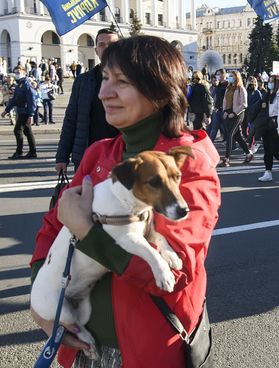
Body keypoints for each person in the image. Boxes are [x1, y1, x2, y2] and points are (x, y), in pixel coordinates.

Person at [30, 35, 221, 367]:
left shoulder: (186, 164)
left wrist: (88, 232)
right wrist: (43, 302)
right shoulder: (99, 154)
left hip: (142, 350)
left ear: (160, 93)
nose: (104, 92)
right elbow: (51, 230)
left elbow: (176, 274)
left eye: (122, 82)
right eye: (105, 78)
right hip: (83, 344)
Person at [56, 28, 121, 175]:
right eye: (102, 45)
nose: (106, 49)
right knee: (83, 196)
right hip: (86, 156)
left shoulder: (129, 80)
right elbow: (71, 120)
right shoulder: (83, 81)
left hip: (118, 157)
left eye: (111, 44)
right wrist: (62, 157)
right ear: (96, 50)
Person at [1, 65, 37, 159]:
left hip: (25, 112)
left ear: (24, 73)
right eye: (15, 73)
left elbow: (31, 101)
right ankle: (32, 152)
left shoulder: (26, 85)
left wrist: (31, 115)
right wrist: (7, 110)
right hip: (20, 110)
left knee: (17, 130)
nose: (16, 74)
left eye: (18, 72)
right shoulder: (19, 85)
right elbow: (14, 100)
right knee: (27, 131)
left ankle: (19, 152)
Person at [219, 70, 253, 167]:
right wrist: (225, 111)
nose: (229, 77)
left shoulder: (240, 89)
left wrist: (234, 113)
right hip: (229, 113)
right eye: (229, 76)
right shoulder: (228, 88)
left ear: (236, 77)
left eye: (231, 76)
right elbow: (225, 100)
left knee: (229, 134)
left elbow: (244, 104)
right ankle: (248, 154)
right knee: (237, 136)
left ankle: (226, 159)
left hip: (238, 114)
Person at [207, 68, 229, 142]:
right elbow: (218, 98)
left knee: (226, 128)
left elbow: (225, 98)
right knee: (214, 128)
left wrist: (221, 108)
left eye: (218, 74)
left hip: (224, 110)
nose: (217, 76)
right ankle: (209, 143)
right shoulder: (219, 84)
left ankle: (231, 143)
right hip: (217, 110)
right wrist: (216, 107)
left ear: (223, 75)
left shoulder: (227, 85)